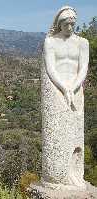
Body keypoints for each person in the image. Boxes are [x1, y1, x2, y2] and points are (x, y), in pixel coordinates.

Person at [41, 6, 89, 189]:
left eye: (72, 24)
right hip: (56, 91)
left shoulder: (82, 43)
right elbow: (50, 68)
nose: (70, 27)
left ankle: (74, 172)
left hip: (76, 91)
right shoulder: (50, 42)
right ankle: (57, 176)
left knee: (74, 134)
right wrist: (63, 88)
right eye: (66, 24)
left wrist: (73, 87)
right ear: (59, 24)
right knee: (57, 132)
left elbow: (83, 68)